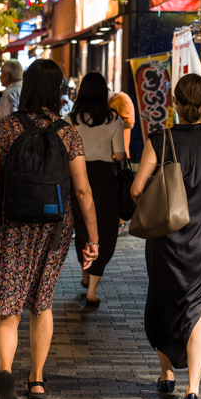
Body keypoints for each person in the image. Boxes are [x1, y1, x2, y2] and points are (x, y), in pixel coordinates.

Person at [0, 59, 100, 399]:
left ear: (28, 86)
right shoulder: (68, 133)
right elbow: (82, 191)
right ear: (57, 90)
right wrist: (92, 238)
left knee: (9, 307)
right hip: (53, 228)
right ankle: (36, 380)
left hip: (11, 224)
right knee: (41, 300)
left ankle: (5, 372)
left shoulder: (5, 127)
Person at [131, 74, 201, 399]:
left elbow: (136, 189)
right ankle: (193, 392)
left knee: (164, 305)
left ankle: (167, 375)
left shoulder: (161, 139)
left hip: (166, 239)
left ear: (174, 103)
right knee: (196, 311)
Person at [68, 72, 125, 308]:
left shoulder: (71, 119)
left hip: (77, 175)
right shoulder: (114, 120)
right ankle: (92, 290)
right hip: (105, 179)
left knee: (82, 226)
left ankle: (84, 272)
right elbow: (120, 155)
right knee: (105, 230)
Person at [108, 89, 136, 156]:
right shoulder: (107, 102)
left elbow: (130, 124)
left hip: (118, 151)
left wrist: (110, 125)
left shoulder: (123, 99)